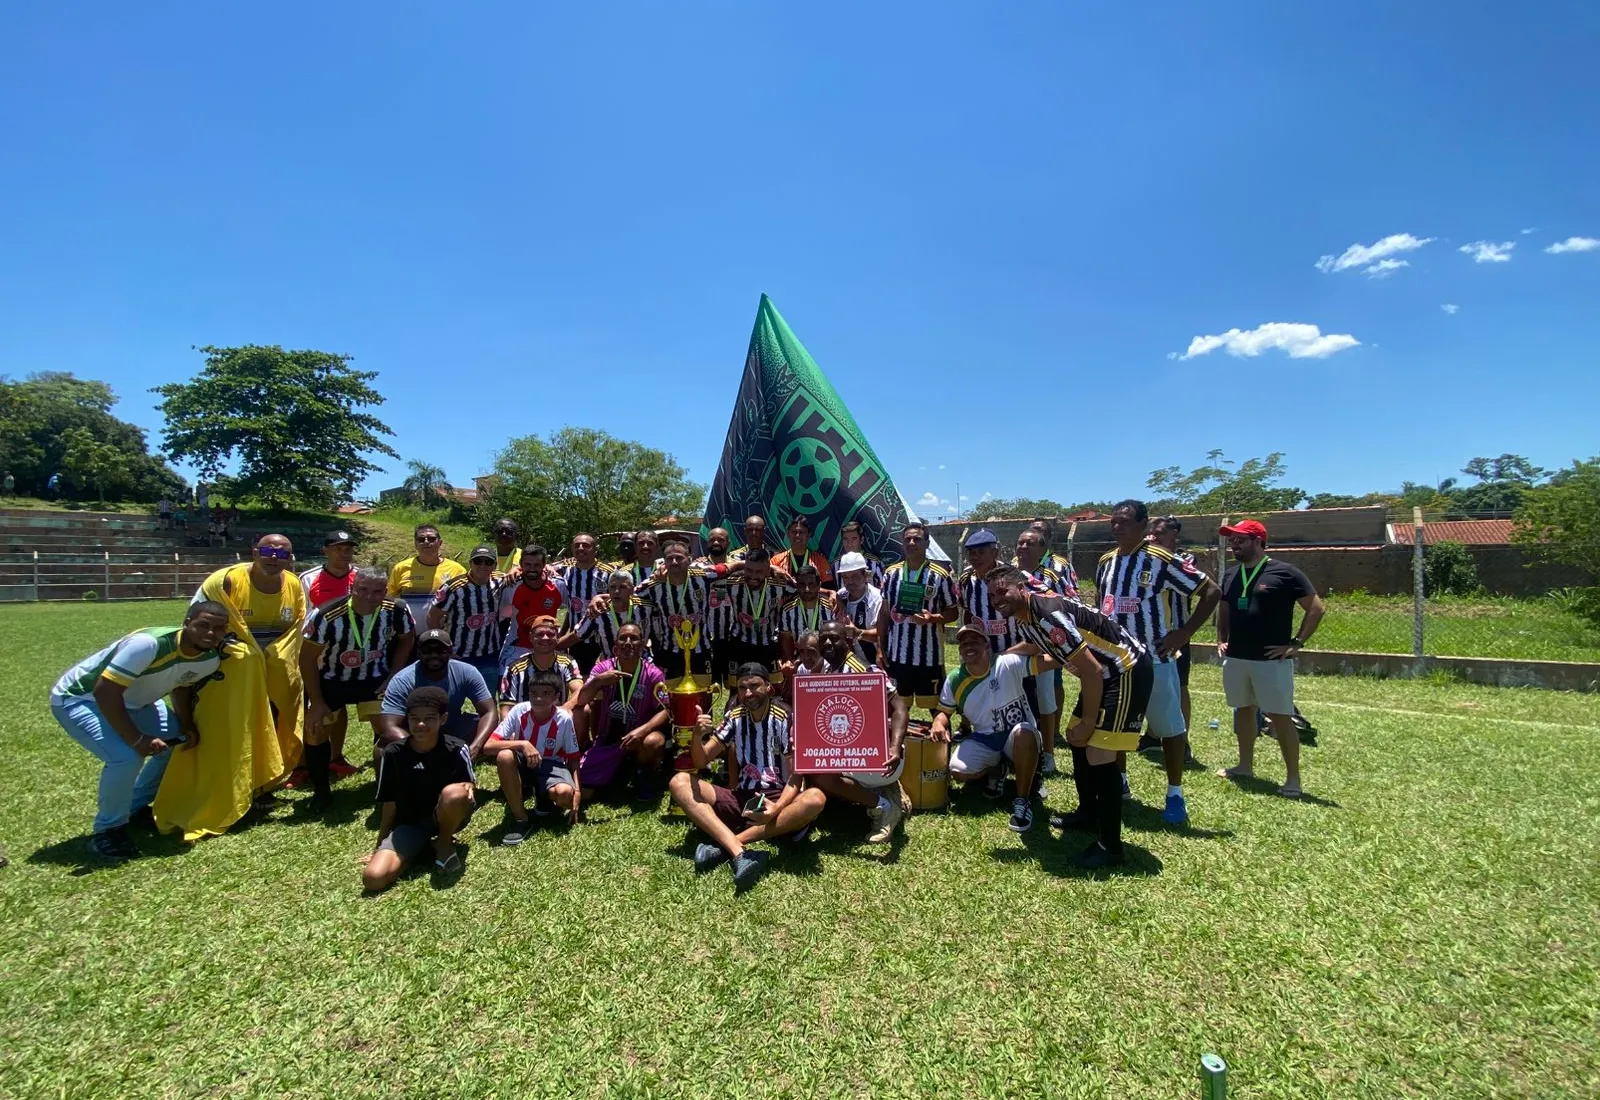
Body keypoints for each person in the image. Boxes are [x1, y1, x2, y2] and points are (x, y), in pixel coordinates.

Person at [988, 567, 1152, 869]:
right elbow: (1054, 652)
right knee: (1076, 738)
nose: (997, 599)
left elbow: (1089, 669)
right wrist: (1005, 658)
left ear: (1022, 588)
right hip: (1103, 674)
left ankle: (1111, 846)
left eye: (1003, 591)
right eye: (992, 595)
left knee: (1098, 752)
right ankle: (1089, 813)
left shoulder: (1047, 614)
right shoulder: (1027, 618)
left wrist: (1091, 721)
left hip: (1125, 670)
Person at [156, 535, 307, 840]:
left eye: (282, 553)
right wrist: (247, 656)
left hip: (274, 679)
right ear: (254, 552)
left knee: (268, 733)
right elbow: (200, 628)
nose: (273, 557)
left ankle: (260, 789)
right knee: (227, 738)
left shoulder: (293, 585)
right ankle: (213, 799)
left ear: (291, 558)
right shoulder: (225, 582)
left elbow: (297, 628)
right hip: (227, 684)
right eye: (266, 550)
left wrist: (271, 661)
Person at [50, 602, 228, 859]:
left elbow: (181, 685)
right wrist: (137, 738)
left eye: (219, 629)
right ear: (187, 622)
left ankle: (135, 808)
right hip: (81, 698)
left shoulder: (209, 660)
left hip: (136, 701)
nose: (210, 633)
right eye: (203, 625)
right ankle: (108, 831)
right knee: (125, 757)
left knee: (174, 742)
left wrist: (186, 724)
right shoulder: (148, 644)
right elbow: (105, 690)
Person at [1096, 500, 1221, 825]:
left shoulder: (1162, 560)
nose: (1117, 527)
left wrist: (1184, 632)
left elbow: (1211, 591)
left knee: (1169, 729)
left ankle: (1175, 792)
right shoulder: (1106, 561)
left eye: (1124, 521)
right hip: (1116, 661)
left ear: (1143, 525)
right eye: (1114, 521)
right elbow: (1103, 606)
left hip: (1154, 659)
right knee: (1116, 726)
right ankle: (1120, 782)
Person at [667, 663, 827, 890]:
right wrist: (696, 736)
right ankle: (739, 852)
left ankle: (730, 844)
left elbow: (795, 777)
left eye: (754, 686)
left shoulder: (786, 717)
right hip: (744, 798)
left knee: (815, 799)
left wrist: (777, 808)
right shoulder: (735, 716)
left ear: (769, 687)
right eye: (742, 688)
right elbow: (702, 761)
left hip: (777, 798)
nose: (748, 693)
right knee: (679, 782)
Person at [1214, 519, 1326, 798]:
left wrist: (1296, 643)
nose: (1234, 544)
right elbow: (1225, 608)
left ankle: (1293, 779)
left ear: (1258, 541)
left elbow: (1316, 608)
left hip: (1270, 661)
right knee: (1242, 709)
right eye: (1232, 539)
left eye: (1240, 539)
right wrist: (1221, 638)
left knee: (1279, 716)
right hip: (1237, 657)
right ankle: (1244, 765)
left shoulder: (1286, 573)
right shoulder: (1230, 574)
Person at [300, 566, 416, 812]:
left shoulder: (396, 609)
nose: (369, 596)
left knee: (390, 729)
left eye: (376, 591)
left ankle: (385, 785)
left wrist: (394, 675)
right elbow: (306, 659)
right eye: (362, 589)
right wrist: (317, 702)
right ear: (352, 588)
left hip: (375, 679)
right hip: (333, 680)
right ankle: (321, 792)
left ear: (385, 591)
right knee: (315, 730)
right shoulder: (326, 614)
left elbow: (407, 639)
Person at [795, 621, 911, 844]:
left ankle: (885, 807)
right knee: (804, 758)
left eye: (834, 638)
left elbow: (899, 706)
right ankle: (882, 790)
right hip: (850, 748)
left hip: (882, 757)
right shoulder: (828, 668)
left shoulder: (862, 670)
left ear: (846, 640)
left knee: (820, 772)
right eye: (823, 638)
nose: (827, 642)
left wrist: (895, 747)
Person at [931, 621, 1049, 833]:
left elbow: (1048, 661)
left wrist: (1064, 653)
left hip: (1018, 735)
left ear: (987, 645)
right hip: (985, 738)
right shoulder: (955, 680)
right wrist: (938, 722)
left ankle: (1022, 801)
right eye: (964, 643)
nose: (969, 646)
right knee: (957, 770)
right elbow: (944, 712)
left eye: (975, 641)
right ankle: (997, 769)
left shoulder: (1007, 663)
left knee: (1023, 734)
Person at [362, 687, 476, 890]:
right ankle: (419, 848)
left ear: (443, 719)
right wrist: (379, 844)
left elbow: (468, 788)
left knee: (455, 793)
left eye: (429, 718)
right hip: (410, 823)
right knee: (373, 878)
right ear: (407, 719)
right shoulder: (393, 753)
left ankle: (442, 842)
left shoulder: (457, 749)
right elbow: (390, 801)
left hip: (447, 816)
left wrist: (468, 789)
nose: (421, 724)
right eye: (414, 718)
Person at [475, 669, 581, 844]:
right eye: (534, 693)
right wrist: (522, 744)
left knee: (564, 794)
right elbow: (488, 746)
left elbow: (573, 757)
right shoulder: (519, 711)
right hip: (523, 764)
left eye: (546, 694)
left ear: (556, 697)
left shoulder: (563, 718)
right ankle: (520, 818)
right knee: (504, 756)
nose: (538, 699)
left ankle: (544, 797)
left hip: (551, 764)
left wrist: (577, 791)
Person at [572, 622, 670, 800]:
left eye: (633, 638)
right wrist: (598, 682)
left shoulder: (653, 674)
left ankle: (643, 774)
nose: (628, 642)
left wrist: (643, 730)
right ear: (615, 644)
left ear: (642, 644)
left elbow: (665, 710)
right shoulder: (603, 669)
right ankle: (618, 772)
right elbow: (581, 700)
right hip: (607, 740)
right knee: (584, 794)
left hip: (637, 740)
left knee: (654, 741)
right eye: (623, 638)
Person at [875, 522, 957, 714]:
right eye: (908, 539)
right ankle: (897, 745)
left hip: (929, 657)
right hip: (898, 656)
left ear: (927, 544)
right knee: (896, 709)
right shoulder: (891, 574)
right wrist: (880, 647)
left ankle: (939, 744)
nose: (912, 543)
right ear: (902, 543)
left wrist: (932, 618)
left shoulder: (940, 576)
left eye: (917, 539)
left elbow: (953, 612)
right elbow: (884, 613)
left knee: (937, 709)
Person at [633, 539, 733, 695]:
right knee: (671, 697)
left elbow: (728, 568)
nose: (674, 562)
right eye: (669, 558)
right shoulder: (653, 584)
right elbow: (628, 595)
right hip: (670, 651)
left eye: (679, 558)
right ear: (663, 562)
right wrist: (602, 598)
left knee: (703, 696)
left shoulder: (703, 576)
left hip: (701, 650)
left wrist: (772, 568)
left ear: (689, 559)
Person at [376, 629, 496, 751]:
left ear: (450, 652)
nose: (434, 655)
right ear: (418, 653)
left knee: (491, 729)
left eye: (440, 651)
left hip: (452, 727)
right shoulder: (402, 680)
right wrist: (426, 749)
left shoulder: (467, 672)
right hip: (417, 733)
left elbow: (489, 712)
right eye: (427, 651)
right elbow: (389, 726)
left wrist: (475, 746)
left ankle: (470, 752)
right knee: (382, 748)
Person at [1016, 527, 1074, 773]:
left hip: (1044, 647)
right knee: (1017, 699)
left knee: (1045, 701)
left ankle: (1048, 754)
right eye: (1020, 543)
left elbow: (1068, 608)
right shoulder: (1009, 574)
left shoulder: (1052, 576)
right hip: (1017, 648)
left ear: (1042, 550)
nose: (1023, 548)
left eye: (1029, 544)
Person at [429, 545, 509, 690]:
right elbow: (433, 617)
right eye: (478, 561)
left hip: (489, 654)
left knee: (487, 700)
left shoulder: (500, 581)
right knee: (452, 701)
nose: (483, 565)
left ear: (494, 566)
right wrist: (443, 649)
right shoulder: (453, 588)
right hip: (459, 654)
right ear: (470, 563)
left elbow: (522, 573)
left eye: (488, 562)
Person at [710, 547, 791, 686]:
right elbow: (707, 574)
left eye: (759, 571)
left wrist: (832, 593)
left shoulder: (779, 585)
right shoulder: (732, 583)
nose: (753, 576)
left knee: (771, 690)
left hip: (768, 645)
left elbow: (805, 589)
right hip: (739, 645)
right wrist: (738, 564)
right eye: (749, 570)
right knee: (737, 690)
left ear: (767, 571)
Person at [1151, 515, 1198, 731]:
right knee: (1152, 684)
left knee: (1179, 685)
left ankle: (1183, 737)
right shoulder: (1149, 559)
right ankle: (1152, 734)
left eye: (1159, 533)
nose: (1154, 537)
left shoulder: (1185, 560)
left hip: (1175, 634)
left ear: (1174, 534)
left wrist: (1186, 632)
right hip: (1151, 633)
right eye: (1152, 533)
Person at [498, 616, 583, 720]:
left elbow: (579, 690)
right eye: (540, 634)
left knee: (582, 711)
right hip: (525, 722)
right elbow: (506, 708)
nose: (545, 638)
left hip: (558, 718)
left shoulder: (567, 662)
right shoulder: (515, 668)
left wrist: (565, 708)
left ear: (557, 637)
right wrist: (512, 734)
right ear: (531, 637)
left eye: (551, 634)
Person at [553, 533, 612, 675]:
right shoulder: (566, 570)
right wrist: (563, 632)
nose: (581, 548)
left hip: (604, 637)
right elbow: (539, 567)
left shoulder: (607, 573)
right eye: (577, 545)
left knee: (605, 679)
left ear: (595, 549)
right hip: (576, 638)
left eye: (585, 545)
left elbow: (621, 595)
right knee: (581, 679)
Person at [387, 524, 467, 625]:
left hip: (444, 633)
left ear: (440, 542)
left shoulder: (457, 570)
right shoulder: (401, 568)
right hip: (407, 633)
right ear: (415, 544)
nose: (426, 542)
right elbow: (389, 598)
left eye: (431, 539)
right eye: (421, 539)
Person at [501, 543, 567, 665]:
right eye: (527, 564)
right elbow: (502, 617)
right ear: (520, 565)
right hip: (518, 646)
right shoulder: (511, 586)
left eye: (536, 565)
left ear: (544, 565)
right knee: (506, 681)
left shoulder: (558, 585)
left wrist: (562, 635)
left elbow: (573, 610)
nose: (532, 569)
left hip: (548, 644)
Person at [569, 569, 652, 663]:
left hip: (642, 663)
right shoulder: (598, 611)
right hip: (609, 666)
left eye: (622, 587)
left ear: (632, 590)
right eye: (612, 587)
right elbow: (576, 636)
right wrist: (553, 647)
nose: (617, 591)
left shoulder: (646, 608)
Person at [778, 564, 836, 663]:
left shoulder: (831, 607)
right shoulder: (787, 610)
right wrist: (789, 662)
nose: (807, 589)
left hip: (827, 659)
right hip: (801, 659)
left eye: (811, 584)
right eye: (802, 585)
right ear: (796, 586)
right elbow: (786, 640)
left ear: (819, 585)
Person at [834, 551, 884, 665]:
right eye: (845, 577)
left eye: (854, 576)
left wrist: (858, 633)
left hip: (874, 664)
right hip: (851, 665)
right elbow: (835, 594)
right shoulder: (841, 595)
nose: (850, 581)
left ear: (865, 575)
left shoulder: (876, 599)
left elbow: (882, 633)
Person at [299, 530, 360, 610]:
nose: (344, 554)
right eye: (338, 549)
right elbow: (300, 611)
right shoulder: (308, 578)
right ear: (325, 551)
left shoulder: (362, 577)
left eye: (348, 549)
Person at [771, 515, 832, 584]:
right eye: (794, 532)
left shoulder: (820, 561)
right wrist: (771, 567)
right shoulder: (776, 560)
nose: (797, 536)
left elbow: (829, 590)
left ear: (808, 535)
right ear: (788, 535)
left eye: (801, 532)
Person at [1028, 519, 1081, 596]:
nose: (1035, 534)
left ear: (1049, 536)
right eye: (1032, 531)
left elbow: (1073, 594)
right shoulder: (1016, 562)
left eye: (1039, 531)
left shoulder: (1062, 564)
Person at [832, 520, 885, 589]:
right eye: (845, 539)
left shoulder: (874, 562)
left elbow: (882, 587)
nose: (849, 543)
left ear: (861, 540)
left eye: (854, 539)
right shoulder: (835, 564)